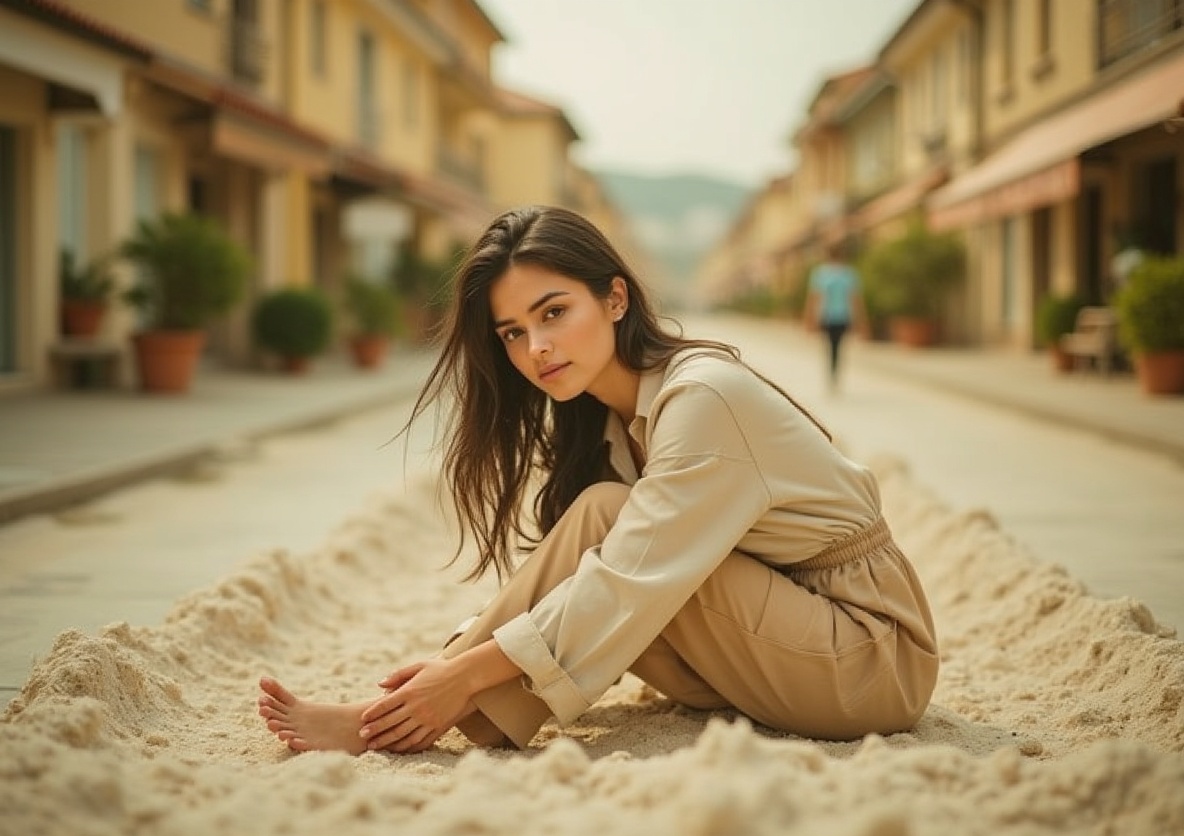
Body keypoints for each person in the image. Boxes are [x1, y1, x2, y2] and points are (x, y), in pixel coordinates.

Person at [257, 206, 938, 755]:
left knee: (613, 520)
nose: (537, 348)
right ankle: (444, 705)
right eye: (514, 333)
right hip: (773, 642)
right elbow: (587, 573)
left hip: (867, 660)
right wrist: (466, 663)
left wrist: (464, 670)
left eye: (553, 313)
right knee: (601, 512)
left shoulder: (703, 399)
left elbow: (627, 576)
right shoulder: (611, 417)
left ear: (615, 299)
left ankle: (408, 711)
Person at [805, 244, 866, 391]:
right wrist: (861, 321)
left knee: (832, 346)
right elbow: (855, 299)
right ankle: (834, 372)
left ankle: (833, 373)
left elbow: (813, 298)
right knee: (836, 346)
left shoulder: (821, 273)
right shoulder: (848, 274)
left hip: (828, 316)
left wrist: (809, 318)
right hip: (841, 316)